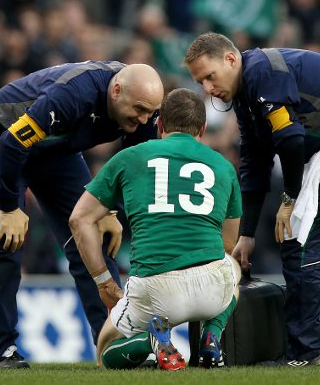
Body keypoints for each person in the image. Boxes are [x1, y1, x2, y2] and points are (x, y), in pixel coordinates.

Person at [184, 32, 320, 366]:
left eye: (210, 77)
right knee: (304, 244)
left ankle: (307, 351)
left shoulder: (261, 73)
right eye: (201, 82)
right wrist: (247, 234)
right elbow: (255, 162)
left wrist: (289, 199)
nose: (208, 89)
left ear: (230, 59)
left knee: (301, 242)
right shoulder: (246, 91)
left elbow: (290, 142)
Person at [0, 61, 164, 369]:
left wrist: (110, 209)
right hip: (2, 136)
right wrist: (9, 208)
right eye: (139, 109)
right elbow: (13, 143)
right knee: (6, 243)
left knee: (94, 240)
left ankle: (115, 344)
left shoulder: (143, 112)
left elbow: (132, 165)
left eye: (151, 113)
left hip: (56, 150)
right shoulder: (74, 95)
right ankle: (3, 351)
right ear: (116, 91)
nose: (143, 119)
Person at [69, 88, 242, 370]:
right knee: (233, 265)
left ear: (159, 125)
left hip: (153, 288)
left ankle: (149, 342)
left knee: (104, 353)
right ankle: (212, 335)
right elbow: (228, 243)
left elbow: (79, 219)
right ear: (202, 127)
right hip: (211, 289)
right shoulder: (224, 166)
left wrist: (104, 282)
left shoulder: (130, 156)